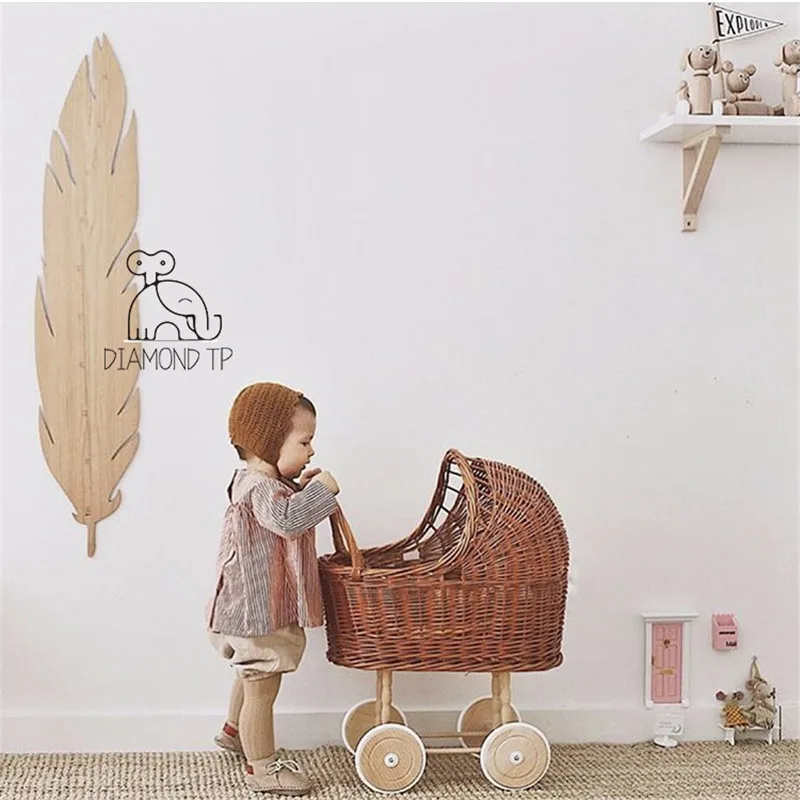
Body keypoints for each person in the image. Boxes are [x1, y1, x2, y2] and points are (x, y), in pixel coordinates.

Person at [206, 381, 340, 795]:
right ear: (268, 442)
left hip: (247, 609)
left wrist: (303, 488)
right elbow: (287, 520)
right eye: (305, 441)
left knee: (251, 676)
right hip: (257, 613)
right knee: (263, 686)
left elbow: (281, 510)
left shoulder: (255, 483)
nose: (311, 451)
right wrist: (323, 491)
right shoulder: (261, 488)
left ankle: (234, 732)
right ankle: (261, 768)